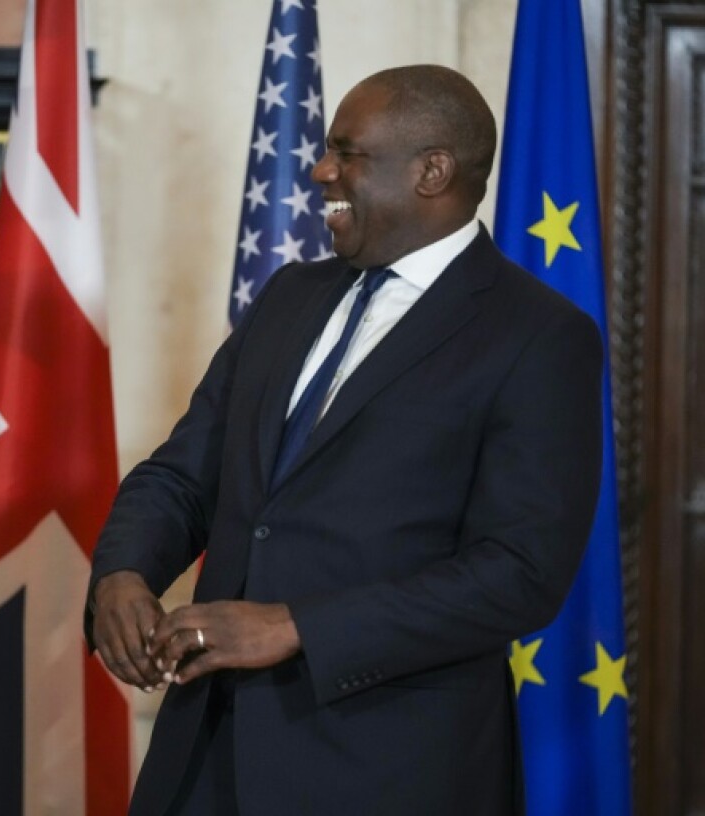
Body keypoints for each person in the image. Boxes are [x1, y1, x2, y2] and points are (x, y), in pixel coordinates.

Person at [87, 65, 603, 815]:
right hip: (206, 756)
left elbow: (520, 572)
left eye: (348, 153)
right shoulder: (291, 297)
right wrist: (123, 575)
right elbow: (182, 474)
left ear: (433, 171)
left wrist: (296, 627)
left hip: (387, 769)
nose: (321, 170)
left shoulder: (537, 336)